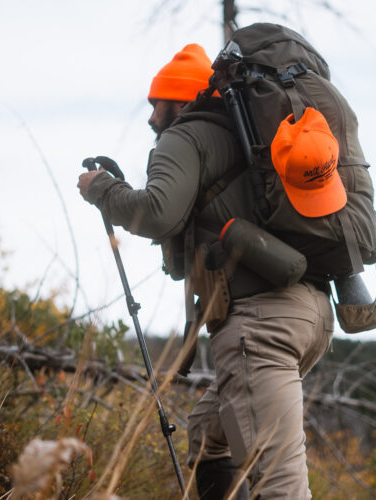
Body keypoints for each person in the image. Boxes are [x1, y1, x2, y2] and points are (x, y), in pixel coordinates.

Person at [78, 43, 333, 500]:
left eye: (157, 102)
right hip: (311, 315)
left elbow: (158, 214)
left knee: (279, 486)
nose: (152, 116)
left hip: (261, 326)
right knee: (208, 433)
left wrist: (102, 190)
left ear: (179, 100)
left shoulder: (186, 136)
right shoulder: (244, 137)